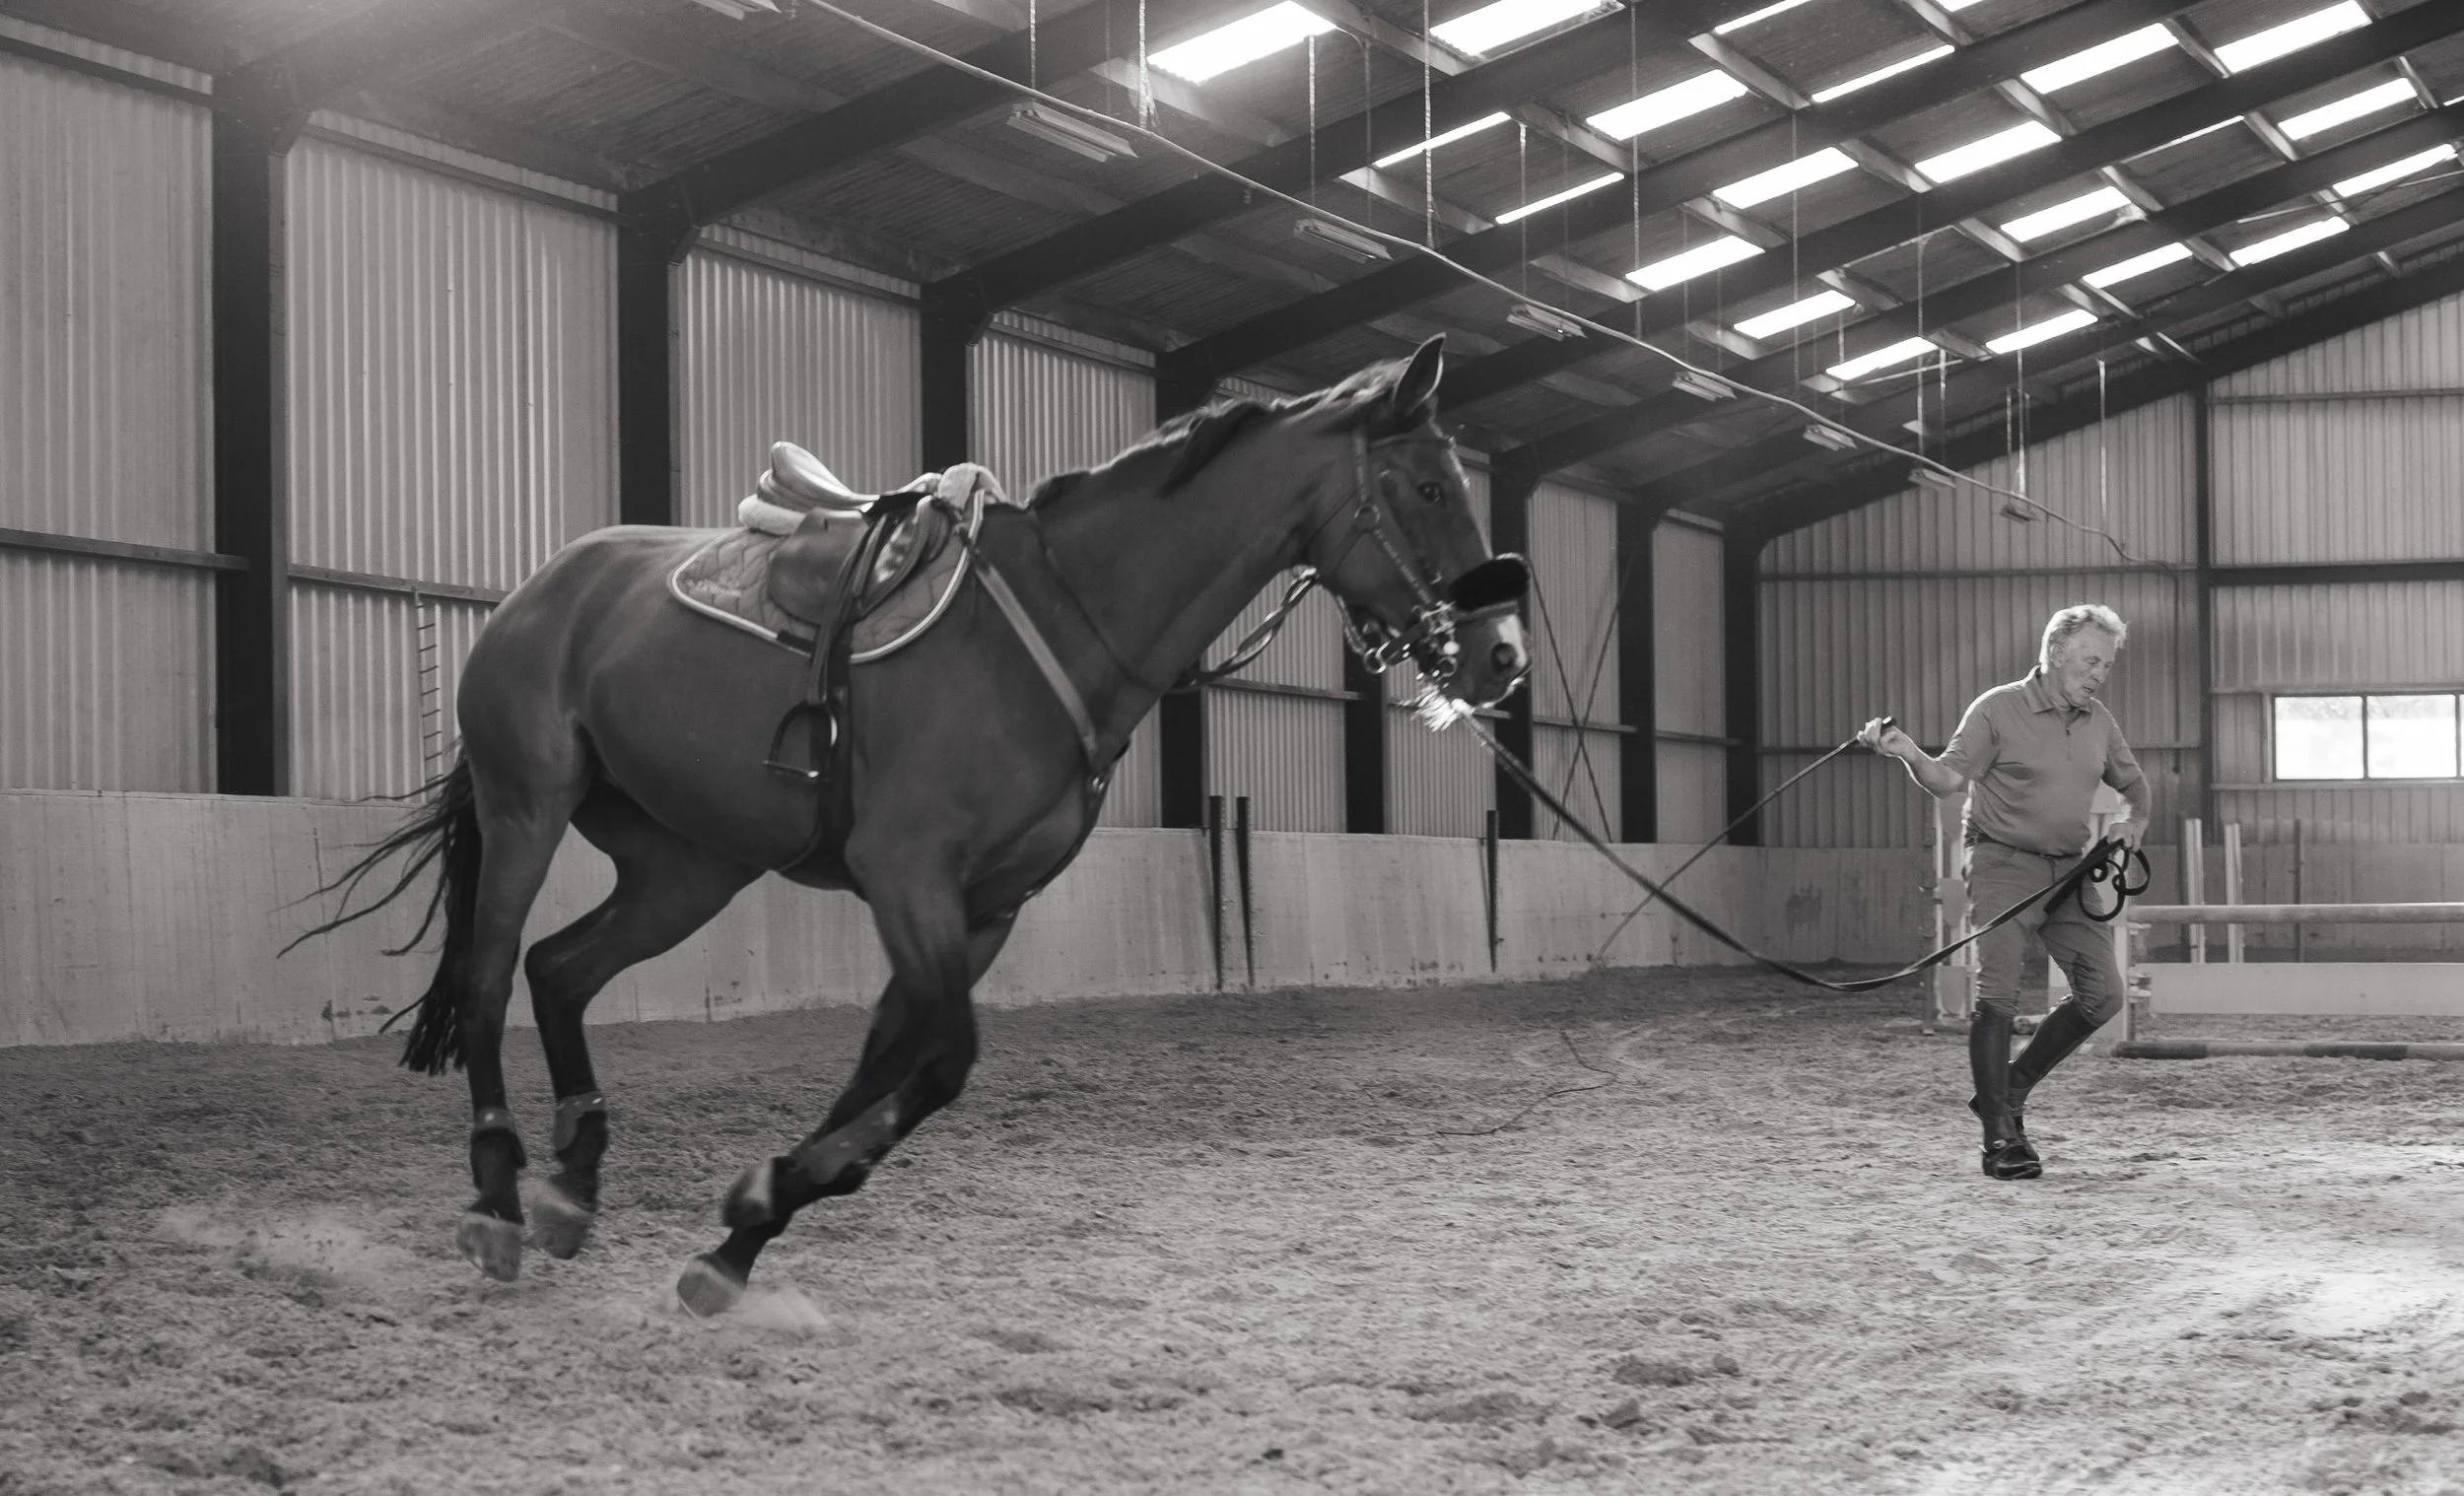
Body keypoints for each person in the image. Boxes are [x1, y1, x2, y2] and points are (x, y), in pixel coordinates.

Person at [1858, 604, 2150, 1181]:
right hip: (2002, 863)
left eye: (2107, 666)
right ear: (2056, 653)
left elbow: (2135, 785)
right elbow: (1947, 777)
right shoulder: (1997, 709)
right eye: (2091, 661)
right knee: (1999, 996)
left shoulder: (2098, 720)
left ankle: (2007, 1090)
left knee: (2103, 997)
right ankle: (1999, 1138)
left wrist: (2131, 823)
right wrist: (1909, 753)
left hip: (2069, 870)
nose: (2099, 674)